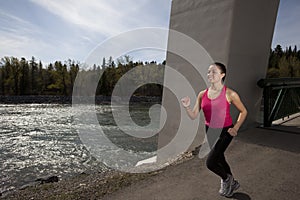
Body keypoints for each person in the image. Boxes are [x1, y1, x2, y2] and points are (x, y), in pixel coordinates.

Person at [181, 62, 247, 197]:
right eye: (209, 71)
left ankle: (226, 179)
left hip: (226, 131)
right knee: (220, 158)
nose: (210, 74)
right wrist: (187, 107)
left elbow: (243, 111)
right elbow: (194, 115)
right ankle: (232, 183)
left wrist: (236, 127)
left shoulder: (230, 94)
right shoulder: (202, 94)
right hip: (209, 130)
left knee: (211, 162)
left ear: (222, 75)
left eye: (214, 72)